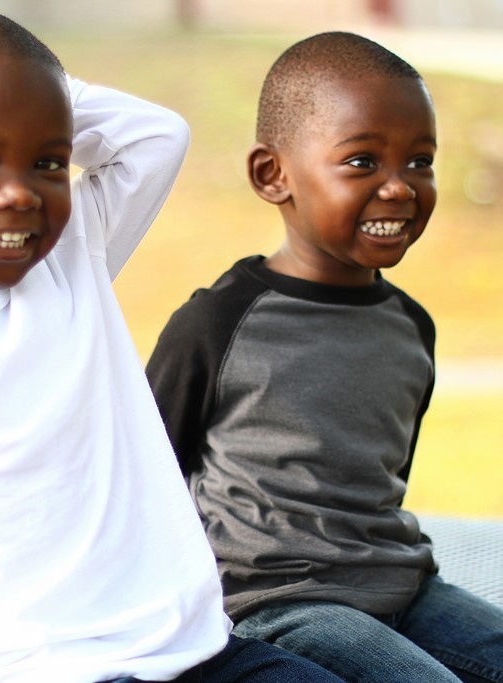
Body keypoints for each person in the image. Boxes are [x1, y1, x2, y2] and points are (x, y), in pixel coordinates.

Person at [0, 6, 346, 683]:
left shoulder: (71, 258)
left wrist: (28, 89)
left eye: (48, 162)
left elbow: (157, 135)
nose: (18, 194)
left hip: (201, 656)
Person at [146, 31, 503, 683]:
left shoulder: (407, 326)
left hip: (404, 588)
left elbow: (376, 477)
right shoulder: (218, 322)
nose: (399, 188)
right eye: (362, 162)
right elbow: (144, 473)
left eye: (419, 162)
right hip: (278, 600)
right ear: (271, 174)